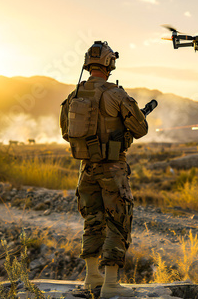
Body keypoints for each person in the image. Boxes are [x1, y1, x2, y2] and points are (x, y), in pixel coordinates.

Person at [60, 41, 148, 298]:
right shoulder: (116, 94)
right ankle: (110, 284)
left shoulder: (73, 96)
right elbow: (141, 130)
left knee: (93, 220)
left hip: (86, 169)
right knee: (118, 220)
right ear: (110, 63)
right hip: (112, 170)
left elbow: (67, 133)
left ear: (87, 64)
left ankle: (91, 277)